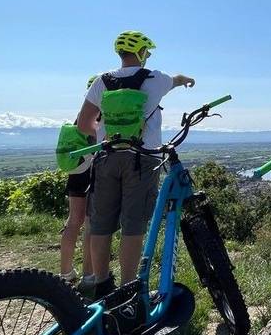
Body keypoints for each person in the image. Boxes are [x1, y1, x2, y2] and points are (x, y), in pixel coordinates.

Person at [75, 31, 195, 297]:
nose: (149, 56)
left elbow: (83, 123)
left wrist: (104, 134)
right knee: (134, 225)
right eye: (147, 52)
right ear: (141, 52)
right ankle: (129, 291)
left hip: (105, 158)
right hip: (142, 160)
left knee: (101, 223)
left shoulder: (101, 81)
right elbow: (174, 80)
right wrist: (185, 79)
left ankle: (102, 284)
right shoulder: (155, 78)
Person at [59, 75, 98, 292]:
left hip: (76, 169)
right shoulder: (100, 114)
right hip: (92, 170)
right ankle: (89, 275)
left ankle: (65, 272)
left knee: (74, 220)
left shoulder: (82, 114)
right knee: (92, 222)